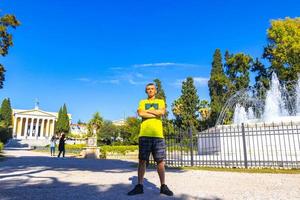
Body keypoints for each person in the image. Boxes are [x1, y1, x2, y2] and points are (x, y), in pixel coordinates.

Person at [128, 83, 173, 196]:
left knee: (160, 161)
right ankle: (139, 186)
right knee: (142, 160)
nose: (150, 90)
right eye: (148, 89)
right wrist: (155, 113)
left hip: (158, 136)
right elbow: (140, 113)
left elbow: (162, 112)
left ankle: (163, 186)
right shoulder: (142, 102)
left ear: (156, 91)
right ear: (146, 91)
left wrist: (148, 112)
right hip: (144, 134)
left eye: (152, 89)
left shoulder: (160, 101)